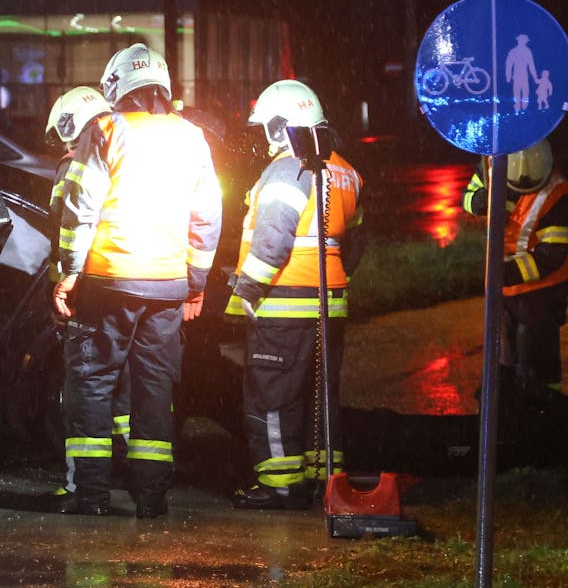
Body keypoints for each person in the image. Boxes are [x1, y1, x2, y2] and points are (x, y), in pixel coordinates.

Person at [54, 43, 221, 518]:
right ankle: (152, 497)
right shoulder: (191, 137)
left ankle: (91, 496)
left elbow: (80, 210)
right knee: (154, 389)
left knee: (91, 382)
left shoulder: (107, 129)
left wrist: (69, 272)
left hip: (107, 281)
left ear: (114, 85)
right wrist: (195, 281)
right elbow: (208, 216)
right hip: (167, 285)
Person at [227, 81, 364, 510]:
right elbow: (356, 241)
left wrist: (246, 290)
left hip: (283, 304)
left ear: (282, 125)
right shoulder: (345, 169)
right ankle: (324, 482)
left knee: (273, 397)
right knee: (320, 396)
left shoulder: (290, 168)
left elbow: (272, 239)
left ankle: (280, 484)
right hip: (329, 305)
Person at [44, 86, 130, 504]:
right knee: (129, 390)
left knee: (85, 388)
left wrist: (63, 278)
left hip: (89, 286)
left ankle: (86, 490)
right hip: (135, 285)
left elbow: (64, 222)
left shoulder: (74, 165)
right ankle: (140, 480)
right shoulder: (132, 159)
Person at [462, 138, 568, 398]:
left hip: (541, 292)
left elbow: (552, 255)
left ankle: (544, 413)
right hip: (504, 287)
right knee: (505, 354)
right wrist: (480, 201)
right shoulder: (491, 164)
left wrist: (506, 272)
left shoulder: (557, 193)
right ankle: (511, 404)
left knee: (536, 355)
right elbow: (467, 197)